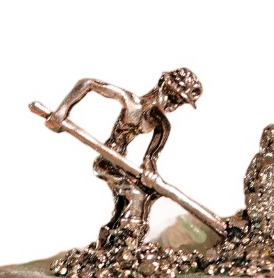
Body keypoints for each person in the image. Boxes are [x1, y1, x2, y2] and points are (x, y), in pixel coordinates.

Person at [46, 68, 202, 249]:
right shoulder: (132, 103)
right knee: (135, 193)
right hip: (107, 161)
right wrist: (62, 111)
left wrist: (150, 174)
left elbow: (150, 158)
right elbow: (87, 83)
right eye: (172, 98)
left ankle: (113, 240)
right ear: (161, 86)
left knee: (145, 194)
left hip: (122, 165)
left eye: (178, 103)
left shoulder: (162, 124)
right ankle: (125, 243)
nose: (172, 106)